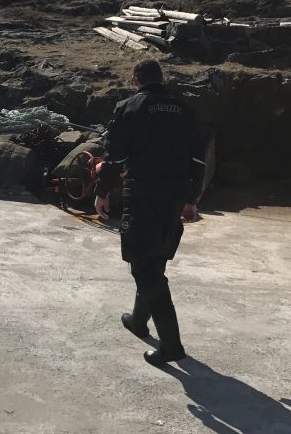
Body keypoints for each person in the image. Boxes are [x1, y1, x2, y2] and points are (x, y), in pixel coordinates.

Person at [93, 59, 205, 366]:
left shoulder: (130, 107)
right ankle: (138, 320)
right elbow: (198, 159)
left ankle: (171, 344)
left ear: (135, 81)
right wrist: (192, 199)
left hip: (142, 194)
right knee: (154, 258)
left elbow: (115, 156)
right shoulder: (184, 110)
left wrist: (102, 193)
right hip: (175, 195)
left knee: (144, 268)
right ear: (161, 78)